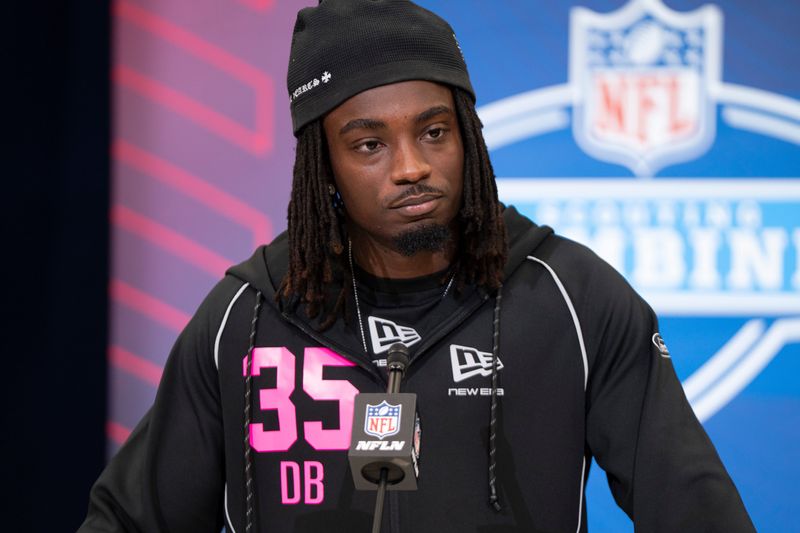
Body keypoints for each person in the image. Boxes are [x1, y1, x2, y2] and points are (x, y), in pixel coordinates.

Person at [80, 1, 755, 531]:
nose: (411, 166)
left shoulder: (574, 300)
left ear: (467, 132)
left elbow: (697, 512)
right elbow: (132, 518)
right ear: (325, 165)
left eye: (434, 132)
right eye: (369, 143)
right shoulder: (248, 317)